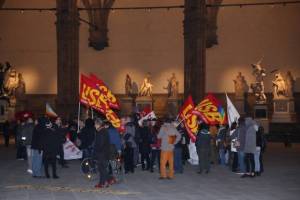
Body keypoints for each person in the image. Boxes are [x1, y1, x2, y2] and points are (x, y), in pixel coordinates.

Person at [93, 118, 113, 188]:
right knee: (102, 168)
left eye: (95, 124)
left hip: (102, 154)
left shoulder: (101, 132)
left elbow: (100, 144)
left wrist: (96, 151)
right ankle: (110, 179)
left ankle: (102, 183)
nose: (94, 126)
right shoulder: (104, 131)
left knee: (101, 169)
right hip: (104, 153)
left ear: (98, 124)